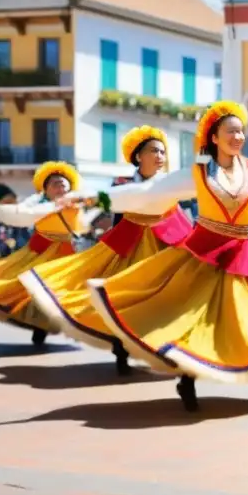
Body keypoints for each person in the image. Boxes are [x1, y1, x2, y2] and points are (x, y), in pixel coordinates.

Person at [59, 101, 248, 410]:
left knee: (236, 322)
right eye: (231, 131)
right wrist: (96, 197)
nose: (238, 136)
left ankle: (208, 367)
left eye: (241, 131)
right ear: (214, 137)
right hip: (203, 251)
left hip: (242, 255)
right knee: (191, 316)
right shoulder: (199, 173)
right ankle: (187, 376)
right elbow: (150, 193)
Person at [21, 127, 192, 374]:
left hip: (164, 246)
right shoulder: (122, 183)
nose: (160, 156)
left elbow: (179, 215)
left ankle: (166, 350)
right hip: (131, 245)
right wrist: (111, 247)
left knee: (167, 298)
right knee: (121, 298)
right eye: (154, 151)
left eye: (163, 152)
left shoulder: (170, 183)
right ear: (138, 156)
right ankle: (121, 349)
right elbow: (116, 216)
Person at [0, 162, 91, 347]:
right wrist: (52, 207)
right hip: (41, 252)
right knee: (34, 289)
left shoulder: (77, 201)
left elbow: (89, 218)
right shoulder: (37, 202)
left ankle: (75, 325)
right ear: (46, 188)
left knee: (69, 291)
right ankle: (40, 327)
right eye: (54, 183)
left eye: (63, 183)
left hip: (68, 253)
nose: (60, 186)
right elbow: (22, 213)